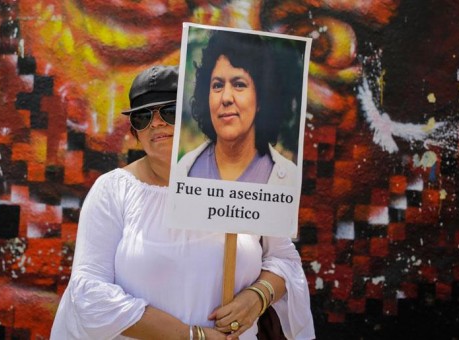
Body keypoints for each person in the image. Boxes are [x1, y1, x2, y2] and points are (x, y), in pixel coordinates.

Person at [50, 65, 314, 339]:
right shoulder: (112, 191)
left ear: (194, 117)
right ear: (134, 133)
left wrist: (257, 297)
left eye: (169, 111)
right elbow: (88, 292)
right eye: (142, 117)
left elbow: (284, 261)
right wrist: (191, 335)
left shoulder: (248, 182)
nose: (156, 123)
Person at [178, 30, 298, 185]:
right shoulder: (185, 171)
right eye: (218, 85)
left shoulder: (290, 179)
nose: (226, 98)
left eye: (239, 84)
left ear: (261, 99)